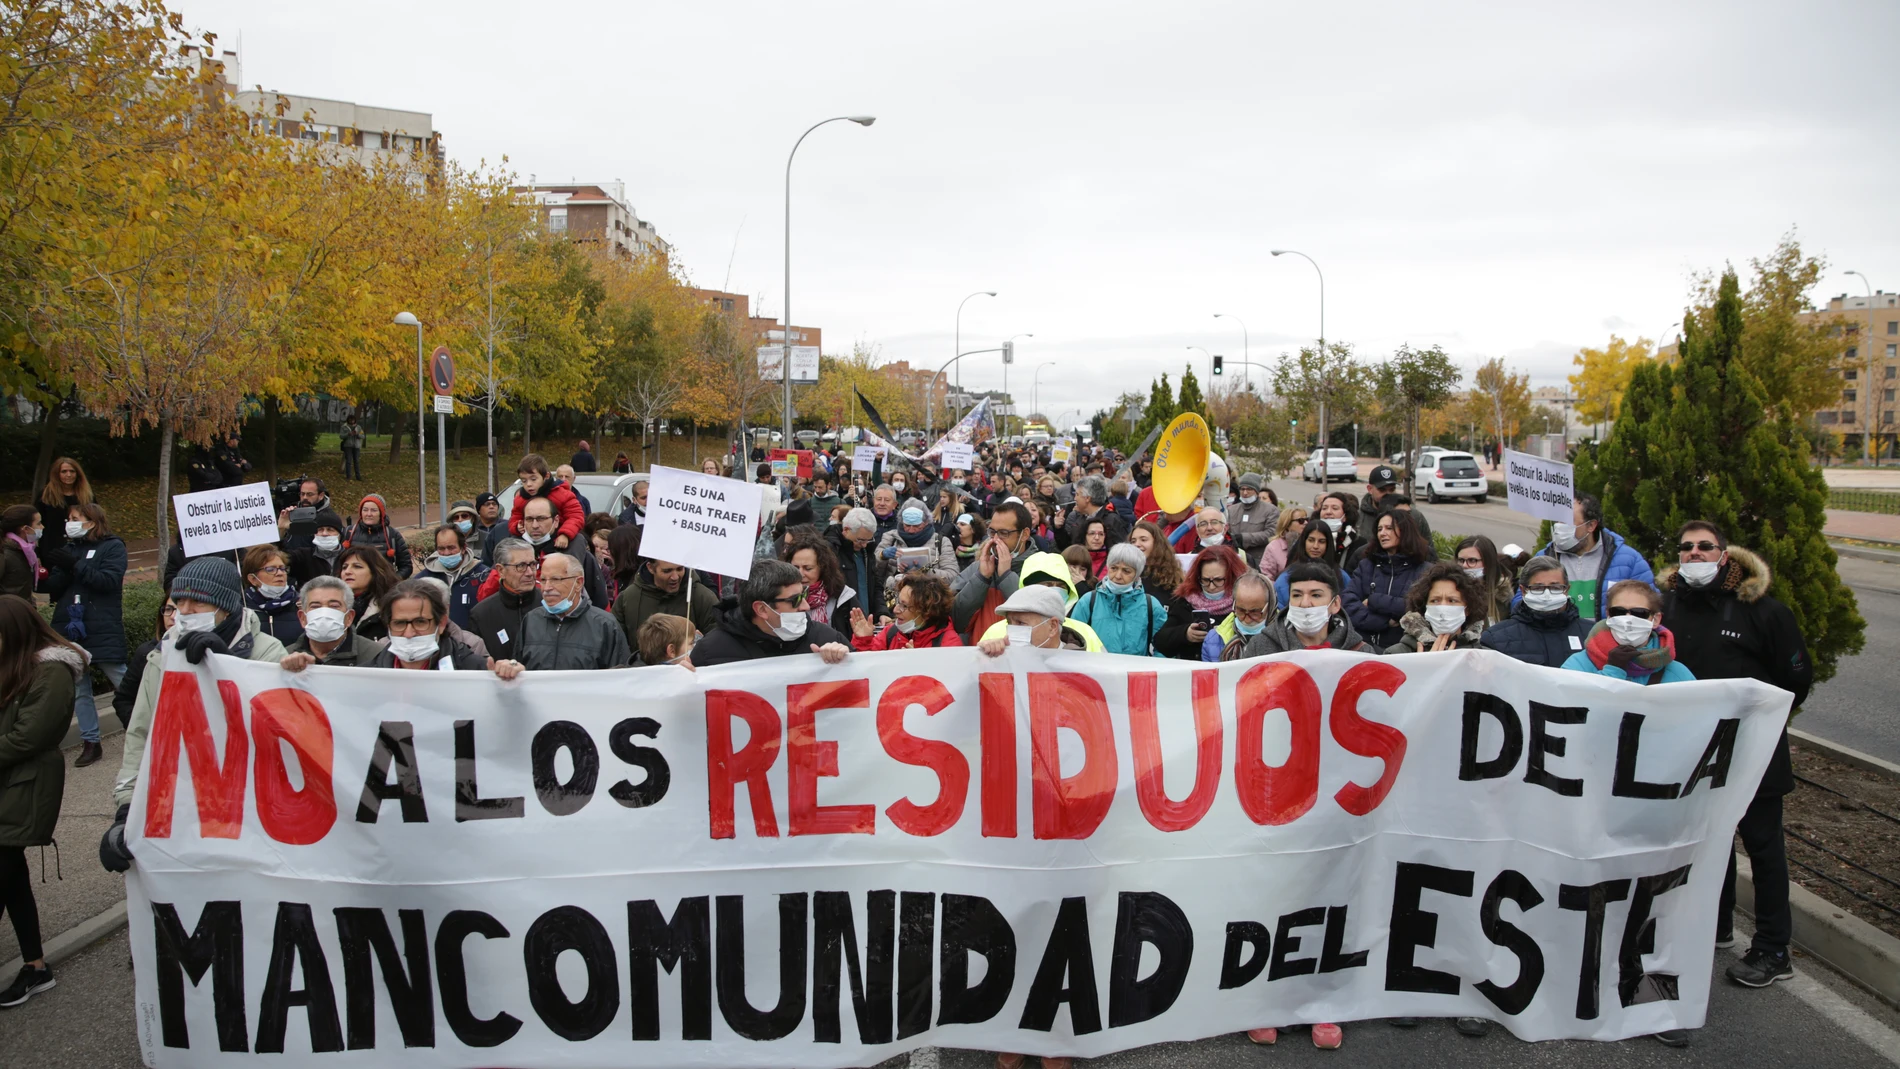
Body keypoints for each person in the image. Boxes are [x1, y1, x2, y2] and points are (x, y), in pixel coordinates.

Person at [1660, 521, 1811, 994]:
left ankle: (1772, 948)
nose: (1695, 554)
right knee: (1708, 842)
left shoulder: (1763, 611)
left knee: (1763, 848)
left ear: (1726, 555)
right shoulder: (1665, 609)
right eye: (1686, 548)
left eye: (1706, 546)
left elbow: (1796, 681)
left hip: (1754, 752)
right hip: (1693, 753)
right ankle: (1716, 926)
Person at [104, 558, 290, 868]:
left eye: (198, 602)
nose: (184, 611)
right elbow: (143, 737)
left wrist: (226, 665)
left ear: (226, 606)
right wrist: (126, 810)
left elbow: (278, 734)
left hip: (250, 810)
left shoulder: (267, 653)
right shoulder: (162, 657)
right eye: (179, 601)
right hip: (182, 807)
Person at [0, 594, 84, 1008]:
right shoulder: (15, 665)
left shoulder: (51, 671)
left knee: (6, 872)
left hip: (26, 784)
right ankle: (35, 967)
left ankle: (35, 967)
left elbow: (28, 737)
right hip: (9, 780)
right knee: (10, 877)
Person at [42, 501, 125, 767]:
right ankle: (91, 742)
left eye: (75, 518)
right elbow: (54, 587)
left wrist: (75, 566)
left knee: (122, 680)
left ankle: (149, 727)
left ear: (92, 521)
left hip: (101, 624)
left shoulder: (112, 546)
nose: (70, 522)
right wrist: (57, 569)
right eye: (69, 518)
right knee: (80, 688)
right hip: (69, 624)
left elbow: (107, 581)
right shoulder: (70, 548)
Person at [690, 559, 852, 666]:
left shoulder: (828, 638)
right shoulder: (710, 652)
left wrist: (845, 660)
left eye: (804, 595)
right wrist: (683, 677)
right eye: (795, 599)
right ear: (761, 609)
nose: (805, 606)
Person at [488, 553, 630, 673]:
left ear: (579, 583)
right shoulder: (531, 621)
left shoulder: (605, 625)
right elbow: (519, 666)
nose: (547, 588)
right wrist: (512, 667)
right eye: (543, 580)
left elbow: (619, 680)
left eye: (556, 579)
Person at [1535, 492, 1656, 620]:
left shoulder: (1629, 561)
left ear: (1591, 525)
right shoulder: (1544, 558)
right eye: (1559, 520)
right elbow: (1521, 599)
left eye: (1567, 521)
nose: (1559, 527)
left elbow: (1651, 606)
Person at [1224, 561, 1376, 660]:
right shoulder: (1261, 647)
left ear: (1335, 604)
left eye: (1316, 595)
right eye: (1297, 595)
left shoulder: (1361, 654)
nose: (1305, 603)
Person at [1561, 578, 1694, 683]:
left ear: (1656, 619)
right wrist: (1612, 671)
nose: (1628, 619)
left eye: (1639, 613)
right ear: (1608, 615)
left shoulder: (1677, 673)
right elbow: (1567, 709)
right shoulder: (1579, 665)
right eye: (1618, 611)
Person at [1479, 556, 1594, 667]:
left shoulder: (1592, 634)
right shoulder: (1496, 638)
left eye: (1555, 587)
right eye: (1538, 588)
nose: (1547, 595)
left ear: (1566, 590)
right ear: (1523, 590)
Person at [1345, 509, 1433, 650]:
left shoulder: (1425, 571)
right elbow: (1348, 604)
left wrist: (1375, 600)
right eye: (1379, 529)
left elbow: (1417, 608)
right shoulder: (1366, 565)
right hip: (1364, 648)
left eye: (1389, 528)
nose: (1382, 533)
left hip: (1404, 650)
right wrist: (1386, 621)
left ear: (1405, 531)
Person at [950, 501, 1034, 642]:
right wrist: (981, 578)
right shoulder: (977, 568)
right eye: (992, 532)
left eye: (1003, 533)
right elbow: (956, 621)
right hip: (979, 655)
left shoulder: (1039, 566)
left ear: (1024, 534)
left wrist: (1006, 577)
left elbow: (1035, 622)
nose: (995, 539)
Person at [365, 579, 491, 671]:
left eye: (420, 622)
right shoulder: (367, 677)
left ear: (441, 624)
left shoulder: (475, 670)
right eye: (399, 623)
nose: (409, 633)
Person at [1067, 543, 1166, 657]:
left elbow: (1164, 646)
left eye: (1126, 571)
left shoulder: (1151, 605)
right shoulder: (1088, 601)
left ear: (1137, 574)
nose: (1118, 575)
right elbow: (1073, 642)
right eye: (1114, 568)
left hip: (1135, 673)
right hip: (1096, 672)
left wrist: (1151, 671)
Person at [1155, 544, 1246, 659]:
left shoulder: (1242, 603)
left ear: (1232, 577)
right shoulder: (1186, 601)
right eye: (1205, 580)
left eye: (1218, 580)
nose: (1211, 587)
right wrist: (1185, 634)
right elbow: (1160, 641)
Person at [279, 576, 385, 669]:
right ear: (303, 618)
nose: (324, 612)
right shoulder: (284, 657)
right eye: (315, 606)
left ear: (349, 617)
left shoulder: (376, 655)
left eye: (334, 606)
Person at [613, 556, 718, 649]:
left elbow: (717, 643)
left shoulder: (702, 597)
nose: (675, 577)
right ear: (650, 568)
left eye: (680, 569)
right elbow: (616, 647)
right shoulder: (627, 598)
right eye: (667, 571)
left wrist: (698, 645)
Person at [1385, 562, 1488, 654]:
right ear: (1425, 607)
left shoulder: (1484, 659)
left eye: (1452, 600)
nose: (1443, 607)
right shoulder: (1396, 654)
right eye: (1435, 600)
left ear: (1468, 609)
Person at [974, 583, 1104, 655]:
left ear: (1052, 627)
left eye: (1020, 623)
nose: (1011, 633)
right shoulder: (1004, 657)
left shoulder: (1085, 667)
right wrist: (984, 658)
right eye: (1009, 622)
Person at [849, 573, 965, 651]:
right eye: (898, 602)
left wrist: (916, 667)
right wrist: (863, 640)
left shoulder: (949, 645)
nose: (895, 610)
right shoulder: (891, 633)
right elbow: (866, 671)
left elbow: (948, 685)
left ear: (927, 611)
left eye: (904, 606)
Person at [469, 538, 541, 664]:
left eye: (533, 564)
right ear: (501, 570)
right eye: (521, 566)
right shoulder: (482, 614)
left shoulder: (549, 605)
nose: (530, 573)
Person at [877, 501, 960, 608]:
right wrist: (882, 556)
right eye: (907, 525)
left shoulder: (940, 541)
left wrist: (925, 572)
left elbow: (953, 576)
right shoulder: (890, 538)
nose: (911, 530)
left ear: (926, 523)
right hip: (895, 603)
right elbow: (874, 573)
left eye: (916, 526)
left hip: (929, 604)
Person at [114, 597, 176, 728]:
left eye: (180, 610)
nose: (173, 616)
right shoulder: (146, 653)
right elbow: (123, 699)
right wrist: (141, 728)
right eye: (169, 609)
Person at [421, 523, 490, 630]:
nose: (446, 553)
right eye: (441, 549)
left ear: (463, 548)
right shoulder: (423, 580)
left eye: (451, 547)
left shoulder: (483, 575)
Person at [508, 453, 586, 547]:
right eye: (524, 481)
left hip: (558, 541)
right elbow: (514, 518)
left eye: (533, 479)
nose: (528, 484)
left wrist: (565, 534)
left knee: (578, 541)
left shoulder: (562, 494)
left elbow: (576, 516)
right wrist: (517, 526)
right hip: (530, 542)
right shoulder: (520, 499)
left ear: (546, 476)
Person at [1273, 519, 1348, 610]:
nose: (1315, 546)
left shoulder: (1341, 576)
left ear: (1328, 545)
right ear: (1304, 542)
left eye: (1321, 541)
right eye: (1311, 540)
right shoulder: (1286, 576)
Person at [34, 456, 92, 572]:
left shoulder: (87, 495)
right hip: (53, 550)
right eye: (64, 471)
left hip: (82, 548)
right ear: (57, 474)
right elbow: (35, 524)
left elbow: (96, 520)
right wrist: (36, 553)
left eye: (72, 471)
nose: (68, 475)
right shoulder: (45, 496)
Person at [1201, 571, 1273, 661]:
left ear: (1270, 607)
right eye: (1241, 611)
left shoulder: (1285, 637)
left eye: (1255, 612)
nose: (1247, 620)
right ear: (1234, 605)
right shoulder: (1213, 639)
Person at [241, 544, 303, 645]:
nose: (280, 573)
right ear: (252, 579)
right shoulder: (241, 608)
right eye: (270, 569)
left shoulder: (301, 604)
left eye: (282, 568)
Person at [336, 545, 400, 642]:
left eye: (357, 567)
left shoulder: (391, 607)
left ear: (375, 571)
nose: (347, 572)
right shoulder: (332, 605)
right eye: (344, 567)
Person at [1359, 464, 1432, 545]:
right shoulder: (1358, 517)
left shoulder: (1414, 516)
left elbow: (1428, 551)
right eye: (1382, 490)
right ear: (1370, 489)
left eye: (1392, 489)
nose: (1388, 494)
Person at [346, 492, 413, 578]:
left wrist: (393, 581)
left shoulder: (392, 535)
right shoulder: (349, 532)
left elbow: (406, 566)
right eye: (365, 510)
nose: (369, 514)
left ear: (381, 513)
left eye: (374, 510)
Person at [1454, 535, 1513, 625]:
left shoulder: (1500, 600)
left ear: (1487, 564)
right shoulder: (1448, 590)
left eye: (1472, 560)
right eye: (1461, 560)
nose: (1464, 565)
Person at [1226, 473, 1281, 569]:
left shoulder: (1270, 510)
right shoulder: (1231, 510)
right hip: (1235, 560)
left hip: (1258, 561)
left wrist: (1244, 538)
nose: (1245, 493)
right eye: (1242, 489)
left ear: (1256, 491)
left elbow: (1272, 533)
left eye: (1249, 489)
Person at [1059, 475, 1125, 550]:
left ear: (1087, 498)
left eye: (1077, 494)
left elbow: (1117, 553)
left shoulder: (1111, 521)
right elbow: (1070, 547)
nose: (1075, 498)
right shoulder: (1081, 518)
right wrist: (1058, 528)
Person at [1259, 506, 1309, 584]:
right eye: (1301, 520)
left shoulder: (1310, 543)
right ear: (1287, 525)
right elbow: (1266, 577)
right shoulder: (1273, 547)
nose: (1306, 523)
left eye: (1307, 520)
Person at [0, 506, 40, 603]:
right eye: (38, 523)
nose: (42, 527)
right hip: (8, 613)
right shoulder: (5, 554)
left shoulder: (26, 551)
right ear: (25, 529)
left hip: (20, 611)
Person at [1317, 492, 1364, 568]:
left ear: (1345, 516)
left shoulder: (1358, 543)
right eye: (1324, 508)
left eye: (1335, 508)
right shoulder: (1307, 538)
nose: (1328, 512)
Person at [472, 492, 506, 562]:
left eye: (494, 504)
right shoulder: (472, 528)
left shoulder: (506, 526)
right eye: (487, 504)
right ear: (479, 509)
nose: (491, 507)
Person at [339, 414, 365, 480]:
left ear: (355, 420)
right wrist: (348, 434)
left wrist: (358, 434)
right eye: (350, 420)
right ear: (348, 420)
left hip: (356, 446)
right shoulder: (344, 427)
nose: (352, 421)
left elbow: (363, 436)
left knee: (356, 461)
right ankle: (348, 476)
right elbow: (341, 436)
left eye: (353, 420)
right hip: (348, 446)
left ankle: (358, 476)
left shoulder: (358, 427)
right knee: (348, 461)